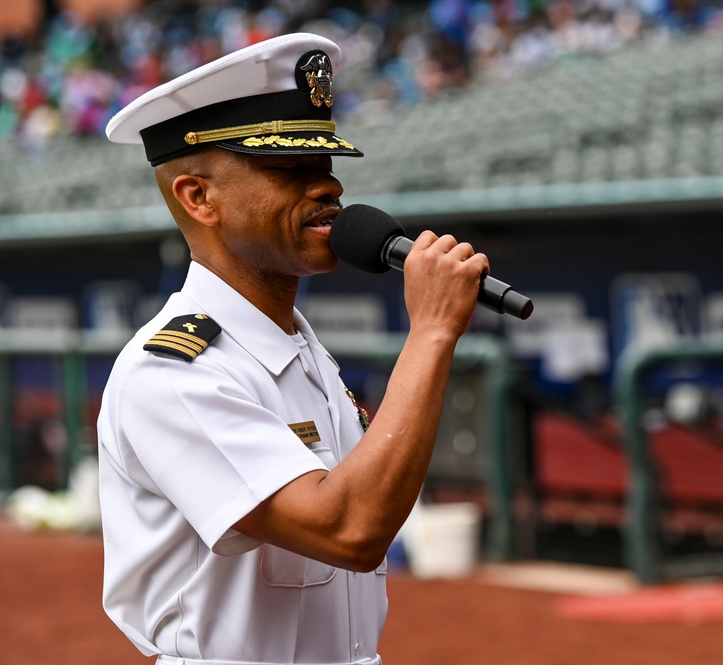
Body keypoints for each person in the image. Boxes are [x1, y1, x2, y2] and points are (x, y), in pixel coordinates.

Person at [97, 33, 489, 665]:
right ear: (199, 197)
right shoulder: (174, 371)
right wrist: (433, 331)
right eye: (288, 171)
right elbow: (349, 530)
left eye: (326, 166)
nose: (328, 188)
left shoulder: (295, 345)